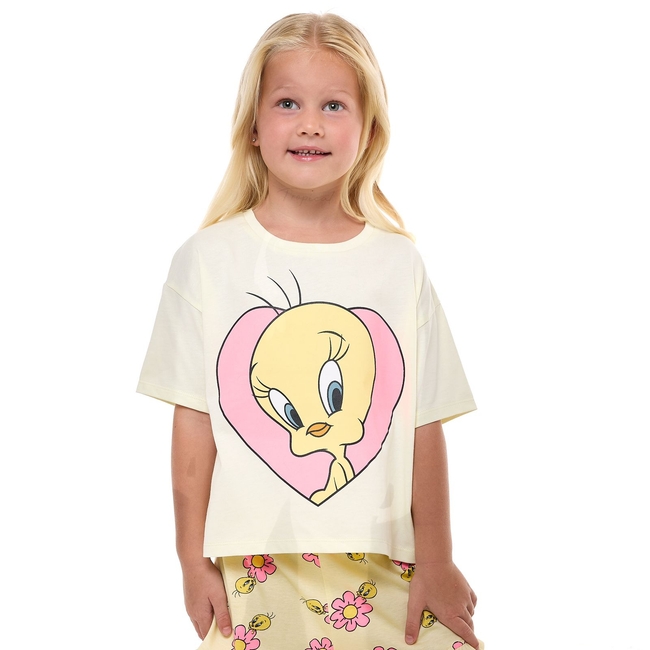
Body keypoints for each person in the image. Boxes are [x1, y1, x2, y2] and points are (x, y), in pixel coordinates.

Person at [138, 12, 483, 650]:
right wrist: (190, 559)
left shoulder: (398, 263)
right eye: (288, 102)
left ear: (369, 129)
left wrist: (437, 558)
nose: (310, 124)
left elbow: (423, 420)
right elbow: (194, 422)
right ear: (253, 125)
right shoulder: (206, 261)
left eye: (334, 105)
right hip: (256, 566)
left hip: (390, 560)